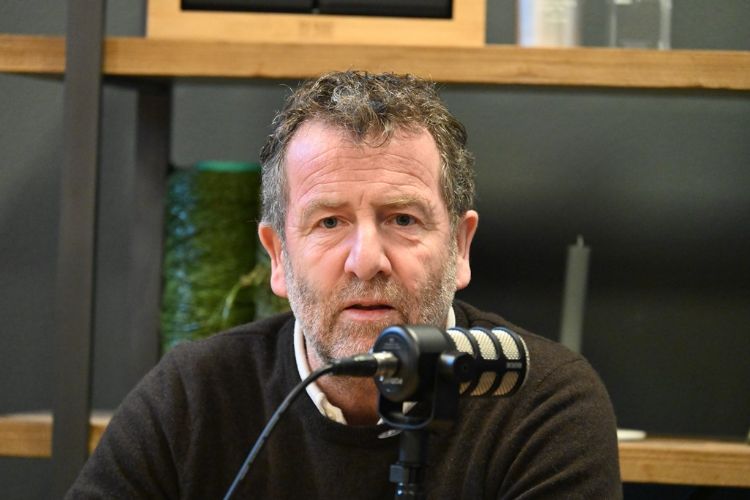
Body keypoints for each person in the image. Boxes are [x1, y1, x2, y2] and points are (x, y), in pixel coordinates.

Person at [67, 71, 621, 499]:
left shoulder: (540, 400)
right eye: (329, 222)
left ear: (459, 247)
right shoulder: (192, 397)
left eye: (402, 219)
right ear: (278, 256)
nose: (366, 261)